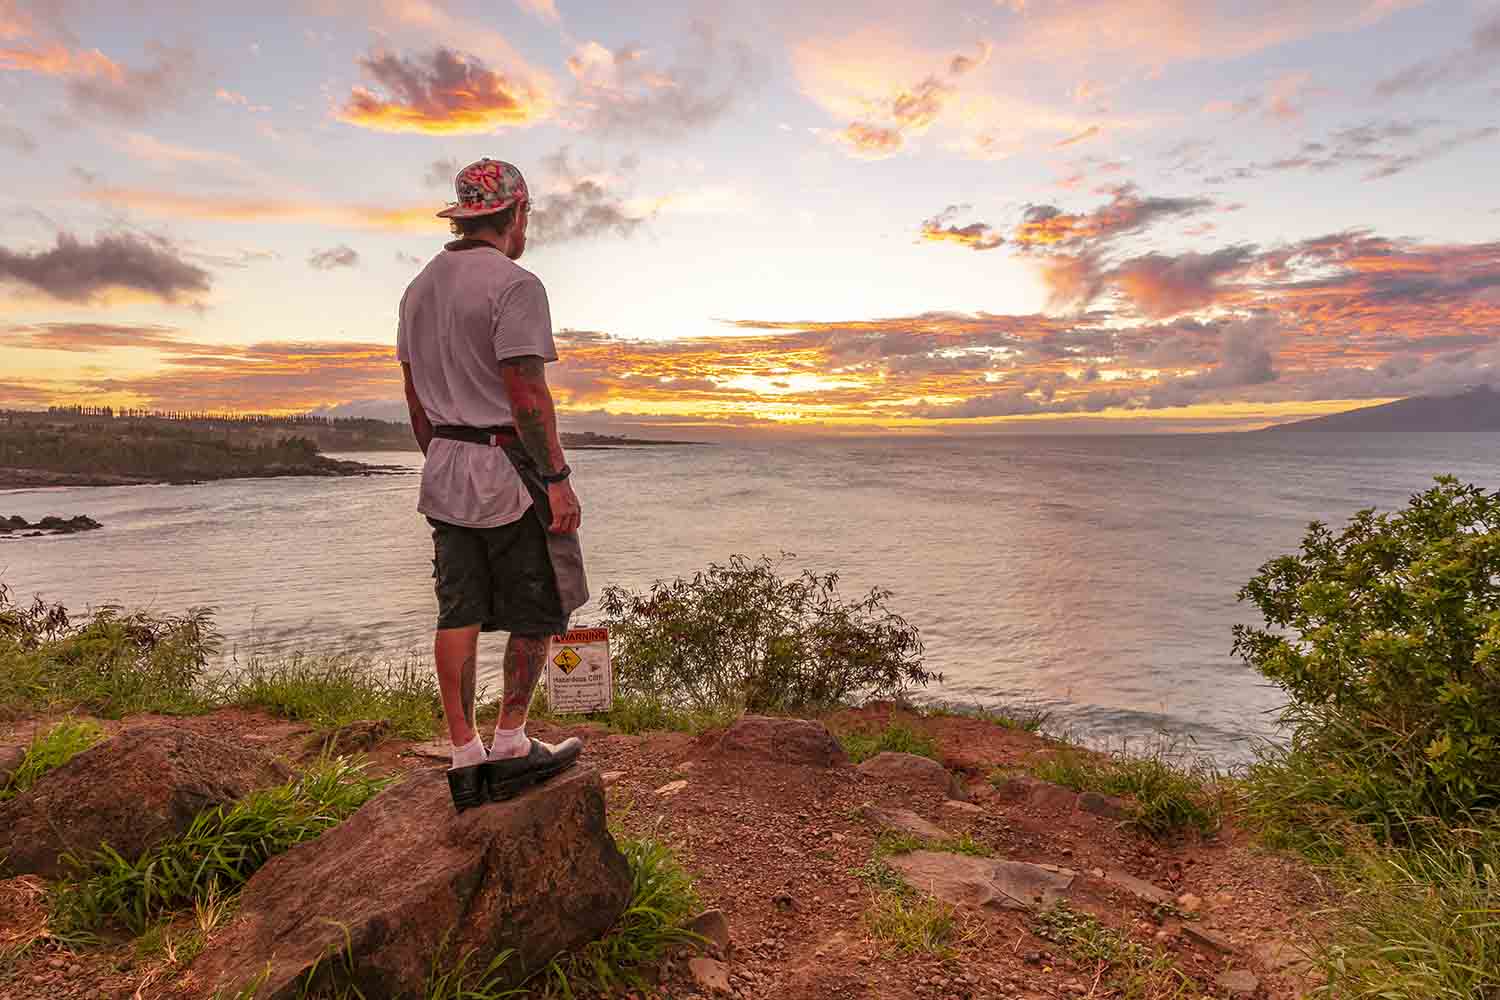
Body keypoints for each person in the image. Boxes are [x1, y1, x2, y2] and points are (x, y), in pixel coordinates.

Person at [397, 158, 589, 811]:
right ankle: (510, 741)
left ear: (462, 214)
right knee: (538, 608)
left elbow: (415, 399)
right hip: (507, 468)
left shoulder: (418, 288)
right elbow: (525, 391)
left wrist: (442, 455)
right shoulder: (514, 285)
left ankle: (463, 754)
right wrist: (556, 478)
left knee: (459, 610)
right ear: (516, 214)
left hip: (445, 467)